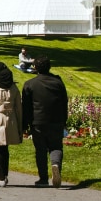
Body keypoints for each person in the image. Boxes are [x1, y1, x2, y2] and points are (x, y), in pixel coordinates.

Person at [22, 55, 69, 188]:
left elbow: (26, 106)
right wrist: (64, 119)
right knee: (56, 146)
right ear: (49, 67)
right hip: (56, 120)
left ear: (35, 67)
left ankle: (43, 178)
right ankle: (55, 165)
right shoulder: (58, 82)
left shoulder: (30, 84)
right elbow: (64, 102)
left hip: (38, 121)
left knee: (40, 150)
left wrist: (24, 124)